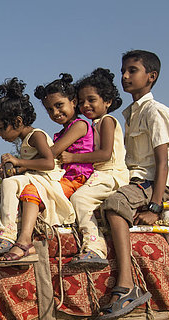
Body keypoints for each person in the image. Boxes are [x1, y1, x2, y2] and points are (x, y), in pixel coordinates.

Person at [97, 50, 169, 320]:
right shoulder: (130, 113)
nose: (125, 76)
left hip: (150, 183)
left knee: (114, 204)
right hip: (132, 180)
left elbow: (162, 163)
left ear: (151, 76)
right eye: (123, 71)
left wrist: (155, 206)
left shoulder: (156, 112)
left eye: (132, 70)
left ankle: (127, 283)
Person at [0, 73, 94, 265]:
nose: (55, 113)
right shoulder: (60, 132)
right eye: (50, 109)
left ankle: (24, 241)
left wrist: (19, 162)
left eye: (59, 105)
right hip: (66, 177)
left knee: (32, 191)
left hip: (76, 178)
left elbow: (51, 155)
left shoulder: (79, 126)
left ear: (73, 101)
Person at [0, 77, 74, 262]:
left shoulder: (35, 136)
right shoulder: (26, 141)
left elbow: (48, 163)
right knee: (10, 181)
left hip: (48, 179)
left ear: (17, 121)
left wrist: (18, 162)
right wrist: (14, 168)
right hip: (37, 177)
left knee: (9, 184)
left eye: (1, 128)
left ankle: (7, 234)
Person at [60, 68, 129, 265]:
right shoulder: (94, 124)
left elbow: (105, 154)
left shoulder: (107, 121)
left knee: (80, 199)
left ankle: (95, 247)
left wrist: (72, 157)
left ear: (107, 101)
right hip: (100, 174)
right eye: (81, 102)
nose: (85, 105)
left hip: (111, 173)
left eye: (91, 100)